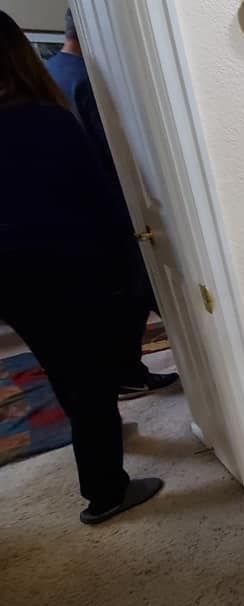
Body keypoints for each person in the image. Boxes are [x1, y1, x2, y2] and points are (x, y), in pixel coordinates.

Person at [0, 10, 163, 524]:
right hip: (68, 272)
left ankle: (104, 440)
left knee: (67, 373)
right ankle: (105, 492)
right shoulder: (41, 118)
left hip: (13, 282)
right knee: (89, 384)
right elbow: (97, 198)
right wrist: (127, 266)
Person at [46, 9, 178, 400]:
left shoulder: (53, 73)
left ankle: (123, 371)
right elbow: (111, 153)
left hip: (74, 220)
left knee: (125, 299)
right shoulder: (85, 82)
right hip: (109, 211)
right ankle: (127, 372)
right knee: (136, 294)